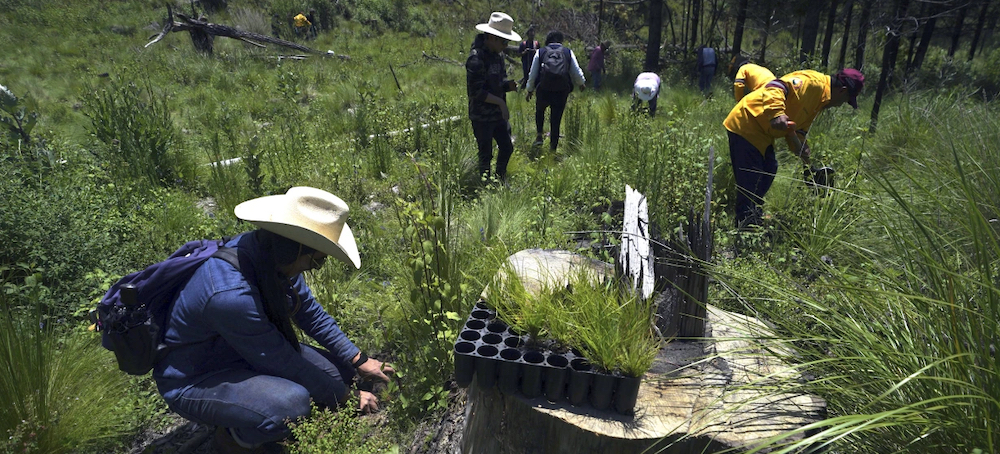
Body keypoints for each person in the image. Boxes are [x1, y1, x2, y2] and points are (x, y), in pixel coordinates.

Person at [153, 187, 395, 453]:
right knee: (292, 404)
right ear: (295, 249)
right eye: (316, 262)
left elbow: (310, 313)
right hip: (196, 377)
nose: (314, 268)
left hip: (242, 351)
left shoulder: (271, 255)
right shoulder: (229, 295)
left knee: (342, 375)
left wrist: (358, 359)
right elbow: (284, 361)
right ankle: (232, 440)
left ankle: (258, 413)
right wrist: (345, 399)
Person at [723, 69, 864, 228]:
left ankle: (753, 216)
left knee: (769, 170)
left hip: (763, 133)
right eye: (845, 100)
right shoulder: (812, 83)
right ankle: (744, 229)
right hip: (746, 122)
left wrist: (801, 148)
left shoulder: (819, 101)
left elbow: (797, 129)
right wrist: (776, 113)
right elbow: (775, 86)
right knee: (751, 180)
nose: (839, 105)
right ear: (842, 90)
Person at [466, 12, 521, 184]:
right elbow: (476, 91)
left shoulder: (498, 56)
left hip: (497, 115)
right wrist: (500, 103)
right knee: (486, 153)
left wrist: (507, 86)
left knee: (507, 147)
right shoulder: (476, 58)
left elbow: (498, 82)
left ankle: (500, 178)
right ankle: (484, 186)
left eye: (507, 41)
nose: (506, 45)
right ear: (491, 37)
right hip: (482, 116)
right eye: (504, 41)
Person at [525, 30, 586, 151]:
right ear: (561, 40)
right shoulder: (567, 52)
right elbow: (576, 70)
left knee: (540, 110)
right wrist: (581, 83)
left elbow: (533, 73)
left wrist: (529, 89)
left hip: (544, 89)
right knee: (556, 118)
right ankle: (553, 148)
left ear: (548, 40)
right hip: (561, 90)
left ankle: (539, 136)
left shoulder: (541, 51)